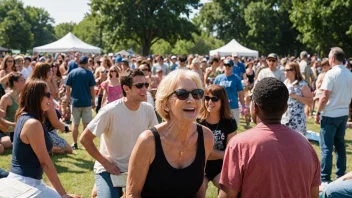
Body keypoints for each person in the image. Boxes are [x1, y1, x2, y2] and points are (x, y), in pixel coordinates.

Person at [219, 77, 321, 198]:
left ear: (255, 107)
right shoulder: (306, 145)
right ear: (285, 109)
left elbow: (227, 195)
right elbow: (314, 194)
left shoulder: (239, 144)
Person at [126, 69, 214, 197]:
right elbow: (133, 194)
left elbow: (199, 188)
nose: (191, 100)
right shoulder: (148, 141)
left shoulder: (206, 137)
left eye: (196, 93)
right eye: (182, 94)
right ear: (166, 104)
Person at [80, 69, 158, 198]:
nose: (144, 89)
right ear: (126, 88)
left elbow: (156, 139)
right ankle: (102, 188)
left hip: (136, 169)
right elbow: (85, 139)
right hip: (109, 169)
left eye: (146, 85)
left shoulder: (148, 109)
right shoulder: (110, 111)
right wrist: (105, 163)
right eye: (139, 86)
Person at [7, 80, 81, 198]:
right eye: (47, 95)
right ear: (36, 97)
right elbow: (45, 163)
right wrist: (63, 194)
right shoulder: (33, 124)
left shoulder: (25, 117)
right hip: (26, 184)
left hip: (26, 181)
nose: (51, 98)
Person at [315, 47, 352, 187]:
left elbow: (324, 96)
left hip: (330, 114)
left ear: (332, 59)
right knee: (340, 146)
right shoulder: (349, 74)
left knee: (326, 148)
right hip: (343, 114)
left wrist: (318, 112)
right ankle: (341, 175)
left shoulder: (330, 74)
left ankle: (325, 178)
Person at [197, 84, 237, 193]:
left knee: (228, 189)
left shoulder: (229, 122)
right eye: (207, 98)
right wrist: (218, 154)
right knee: (198, 189)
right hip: (201, 166)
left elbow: (230, 154)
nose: (210, 102)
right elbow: (194, 151)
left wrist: (209, 151)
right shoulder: (198, 121)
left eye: (214, 99)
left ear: (222, 101)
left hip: (221, 167)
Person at [65, 56, 96, 150]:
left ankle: (74, 143)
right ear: (87, 63)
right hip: (86, 102)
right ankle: (85, 144)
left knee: (75, 124)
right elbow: (92, 89)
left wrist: (68, 99)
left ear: (78, 63)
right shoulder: (89, 73)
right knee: (86, 125)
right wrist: (93, 101)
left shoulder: (72, 72)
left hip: (75, 102)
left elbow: (67, 89)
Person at [281, 62, 313, 134]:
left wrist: (295, 96)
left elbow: (310, 101)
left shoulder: (302, 84)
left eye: (286, 70)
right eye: (284, 70)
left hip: (297, 120)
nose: (284, 72)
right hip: (285, 119)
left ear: (293, 71)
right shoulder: (285, 82)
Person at [214, 59, 246, 126]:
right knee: (221, 127)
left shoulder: (237, 78)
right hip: (221, 107)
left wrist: (243, 106)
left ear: (232, 67)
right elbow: (214, 92)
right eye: (225, 65)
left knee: (234, 127)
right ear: (223, 66)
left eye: (229, 65)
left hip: (233, 107)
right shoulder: (218, 78)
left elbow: (241, 94)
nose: (227, 67)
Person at [0, 72, 25, 142]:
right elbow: (1, 119)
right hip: (8, 131)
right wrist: (14, 125)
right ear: (15, 83)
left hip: (20, 128)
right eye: (22, 80)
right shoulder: (6, 98)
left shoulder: (23, 96)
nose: (24, 82)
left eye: (24, 80)